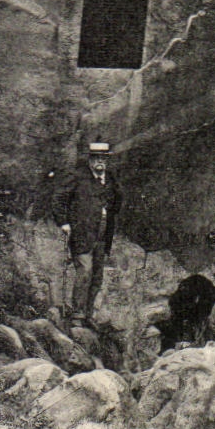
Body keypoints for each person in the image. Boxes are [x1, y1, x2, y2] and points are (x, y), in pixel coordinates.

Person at [52, 140, 122, 328]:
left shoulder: (110, 179)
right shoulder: (78, 177)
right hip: (82, 234)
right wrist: (64, 223)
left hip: (102, 234)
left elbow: (118, 202)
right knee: (85, 272)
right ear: (90, 160)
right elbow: (59, 199)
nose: (100, 162)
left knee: (97, 276)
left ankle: (88, 314)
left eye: (104, 159)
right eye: (97, 158)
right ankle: (78, 315)